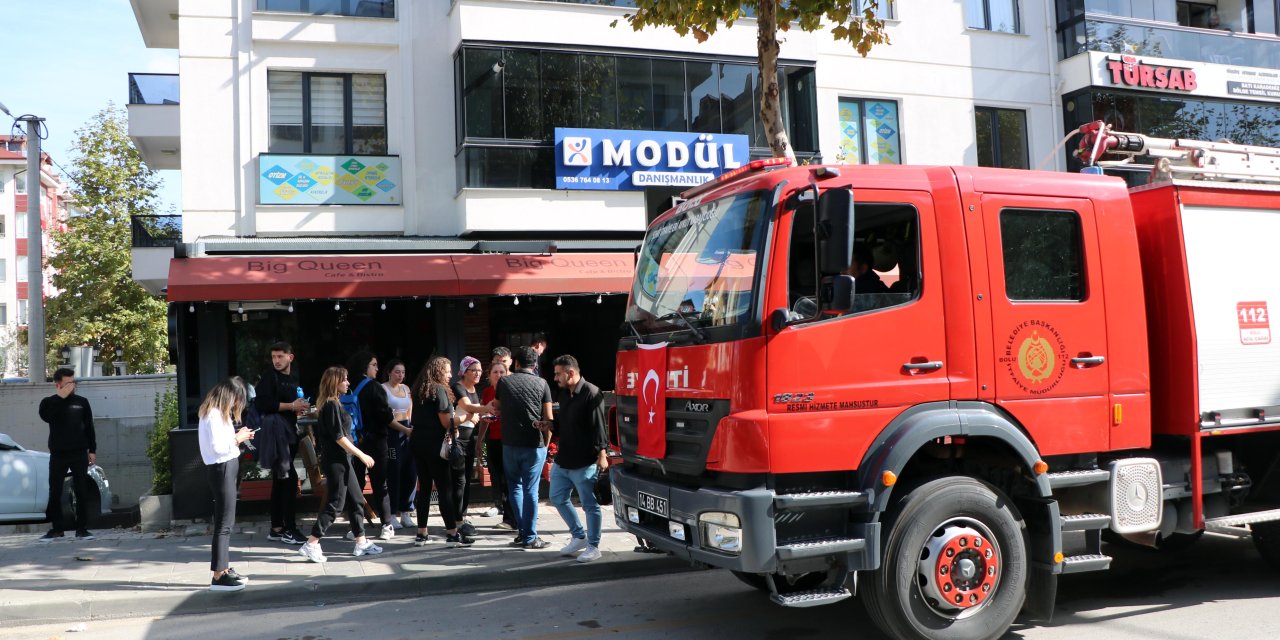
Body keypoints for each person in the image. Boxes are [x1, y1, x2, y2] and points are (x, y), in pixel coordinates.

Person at [298, 366, 383, 563]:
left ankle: (361, 542)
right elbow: (339, 437)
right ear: (334, 382)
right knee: (336, 504)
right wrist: (362, 455)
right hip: (337, 461)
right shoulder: (331, 405)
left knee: (357, 500)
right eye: (344, 379)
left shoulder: (333, 403)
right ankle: (311, 543)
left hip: (343, 460)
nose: (348, 382)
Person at [548, 355, 610, 563]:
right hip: (563, 458)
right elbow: (565, 424)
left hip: (585, 461)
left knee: (590, 505)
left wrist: (602, 455)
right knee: (557, 497)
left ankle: (594, 545)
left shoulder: (591, 393)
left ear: (570, 373)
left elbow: (599, 426)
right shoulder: (565, 394)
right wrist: (549, 425)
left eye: (558, 373)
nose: (555, 378)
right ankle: (579, 536)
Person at [197, 377, 255, 591]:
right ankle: (218, 575)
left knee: (226, 522)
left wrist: (237, 437)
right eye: (236, 401)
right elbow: (219, 447)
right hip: (221, 468)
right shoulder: (213, 414)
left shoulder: (215, 413)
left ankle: (224, 569)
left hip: (224, 467)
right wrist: (238, 438)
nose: (236, 406)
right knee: (224, 523)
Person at [409, 357, 475, 548]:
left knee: (424, 489)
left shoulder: (420, 390)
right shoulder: (439, 390)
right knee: (445, 488)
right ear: (438, 371)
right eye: (447, 371)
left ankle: (421, 533)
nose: (450, 375)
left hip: (418, 443)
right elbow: (447, 423)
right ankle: (452, 533)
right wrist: (466, 417)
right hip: (435, 445)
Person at [494, 345, 554, 550]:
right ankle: (529, 536)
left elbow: (498, 407)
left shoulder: (504, 382)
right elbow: (548, 417)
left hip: (509, 443)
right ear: (534, 364)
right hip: (533, 443)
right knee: (531, 490)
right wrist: (546, 443)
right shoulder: (542, 383)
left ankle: (522, 532)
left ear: (516, 363)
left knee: (515, 487)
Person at [254, 342, 310, 545]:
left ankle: (277, 527)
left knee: (281, 481)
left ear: (290, 357)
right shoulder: (270, 377)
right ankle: (289, 529)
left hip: (288, 433)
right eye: (274, 357)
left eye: (280, 356)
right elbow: (262, 403)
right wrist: (291, 406)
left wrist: (298, 409)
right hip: (276, 435)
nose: (276, 361)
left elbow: (290, 405)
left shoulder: (292, 379)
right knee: (288, 479)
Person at [37, 368, 98, 542]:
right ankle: (57, 529)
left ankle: (82, 529)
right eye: (69, 383)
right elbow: (47, 417)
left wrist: (92, 450)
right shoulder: (48, 403)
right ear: (58, 385)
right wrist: (61, 398)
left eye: (74, 382)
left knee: (81, 490)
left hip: (79, 452)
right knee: (55, 490)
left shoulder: (82, 402)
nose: (73, 385)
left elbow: (89, 427)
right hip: (58, 454)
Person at [346, 351, 402, 540]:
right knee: (380, 483)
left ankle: (356, 526)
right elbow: (386, 416)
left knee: (356, 484)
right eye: (374, 365)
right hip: (376, 441)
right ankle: (386, 525)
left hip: (354, 441)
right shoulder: (375, 387)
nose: (377, 369)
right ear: (365, 366)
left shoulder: (348, 386)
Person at [478, 359, 516, 530]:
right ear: (489, 375)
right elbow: (484, 419)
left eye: (502, 372)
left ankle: (510, 518)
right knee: (498, 477)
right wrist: (479, 440)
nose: (499, 375)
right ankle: (503, 511)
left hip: (509, 439)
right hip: (492, 440)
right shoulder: (487, 392)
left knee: (509, 479)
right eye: (496, 372)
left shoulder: (511, 391)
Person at [451, 355, 486, 537]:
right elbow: (467, 407)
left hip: (470, 437)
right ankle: (457, 520)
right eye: (474, 370)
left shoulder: (474, 389)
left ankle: (462, 516)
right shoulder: (458, 387)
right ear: (465, 372)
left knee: (467, 481)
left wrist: (482, 416)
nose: (478, 373)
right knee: (459, 481)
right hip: (458, 438)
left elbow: (474, 414)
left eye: (480, 370)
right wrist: (486, 408)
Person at [382, 359, 416, 529]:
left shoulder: (406, 388)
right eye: (397, 372)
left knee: (410, 472)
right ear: (389, 372)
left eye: (402, 372)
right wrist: (404, 429)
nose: (400, 375)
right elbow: (386, 417)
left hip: (408, 430)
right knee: (394, 472)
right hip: (393, 433)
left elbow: (410, 409)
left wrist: (410, 428)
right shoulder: (383, 389)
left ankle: (406, 511)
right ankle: (393, 512)